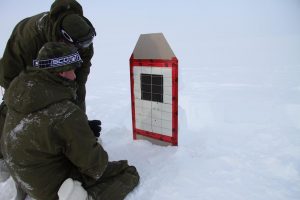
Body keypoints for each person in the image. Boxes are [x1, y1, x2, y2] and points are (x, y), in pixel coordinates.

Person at [1, 42, 139, 200]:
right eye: (71, 70)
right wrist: (85, 138)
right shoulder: (65, 112)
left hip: (21, 175)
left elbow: (42, 132)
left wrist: (79, 130)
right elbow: (95, 166)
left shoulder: (20, 92)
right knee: (128, 172)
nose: (74, 76)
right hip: (48, 189)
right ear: (60, 72)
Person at [0, 0, 101, 182]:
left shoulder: (82, 41)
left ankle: (55, 146)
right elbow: (11, 80)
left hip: (57, 60)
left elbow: (77, 85)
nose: (85, 48)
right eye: (82, 45)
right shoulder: (30, 37)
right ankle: (6, 152)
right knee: (17, 104)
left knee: (59, 102)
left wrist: (79, 126)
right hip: (21, 65)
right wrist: (15, 103)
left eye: (87, 43)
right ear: (64, 38)